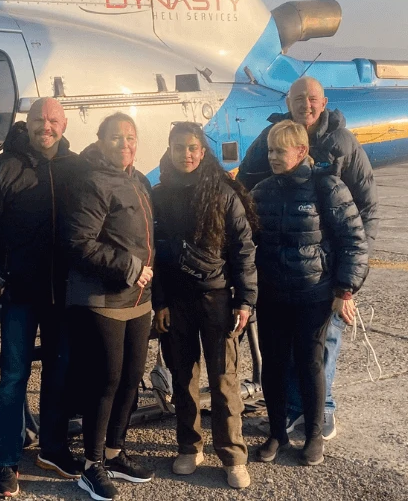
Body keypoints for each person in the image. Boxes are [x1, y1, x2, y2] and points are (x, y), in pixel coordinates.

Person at [237, 75, 378, 440]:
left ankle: (322, 409)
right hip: (282, 271)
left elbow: (364, 209)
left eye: (312, 98)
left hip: (325, 270)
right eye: (299, 98)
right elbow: (246, 189)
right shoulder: (268, 140)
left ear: (324, 101)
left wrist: (350, 280)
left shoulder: (342, 143)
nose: (306, 105)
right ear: (288, 101)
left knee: (322, 342)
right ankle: (290, 412)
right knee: (286, 347)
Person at [0, 97, 84, 499]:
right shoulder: (1, 167)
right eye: (37, 120)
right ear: (26, 123)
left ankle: (53, 448)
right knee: (14, 378)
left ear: (63, 124)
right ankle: (7, 461)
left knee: (60, 372)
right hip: (17, 292)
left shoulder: (78, 168)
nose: (44, 126)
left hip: (64, 292)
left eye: (52, 120)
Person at [250, 120, 369, 467]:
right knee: (272, 366)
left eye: (279, 150)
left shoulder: (328, 187)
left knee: (309, 363)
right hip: (271, 294)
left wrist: (345, 289)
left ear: (301, 151)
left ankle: (314, 435)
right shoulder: (261, 192)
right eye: (270, 150)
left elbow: (354, 242)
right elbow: (247, 244)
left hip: (312, 295)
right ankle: (276, 432)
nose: (272, 156)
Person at [150, 122, 257, 490]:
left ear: (203, 150)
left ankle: (232, 455)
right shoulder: (158, 194)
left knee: (224, 379)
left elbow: (243, 250)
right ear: (169, 148)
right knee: (183, 378)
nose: (187, 154)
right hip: (176, 301)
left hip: (217, 299)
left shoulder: (224, 193)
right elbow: (155, 256)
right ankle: (189, 445)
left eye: (193, 147)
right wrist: (159, 302)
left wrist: (245, 300)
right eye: (180, 147)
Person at [63, 112, 156, 501]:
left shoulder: (139, 180)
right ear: (100, 141)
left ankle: (116, 451)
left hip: (139, 300)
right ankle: (92, 464)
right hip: (104, 299)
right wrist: (130, 267)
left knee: (133, 378)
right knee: (107, 380)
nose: (125, 144)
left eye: (131, 137)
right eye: (116, 137)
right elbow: (79, 242)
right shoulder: (91, 181)